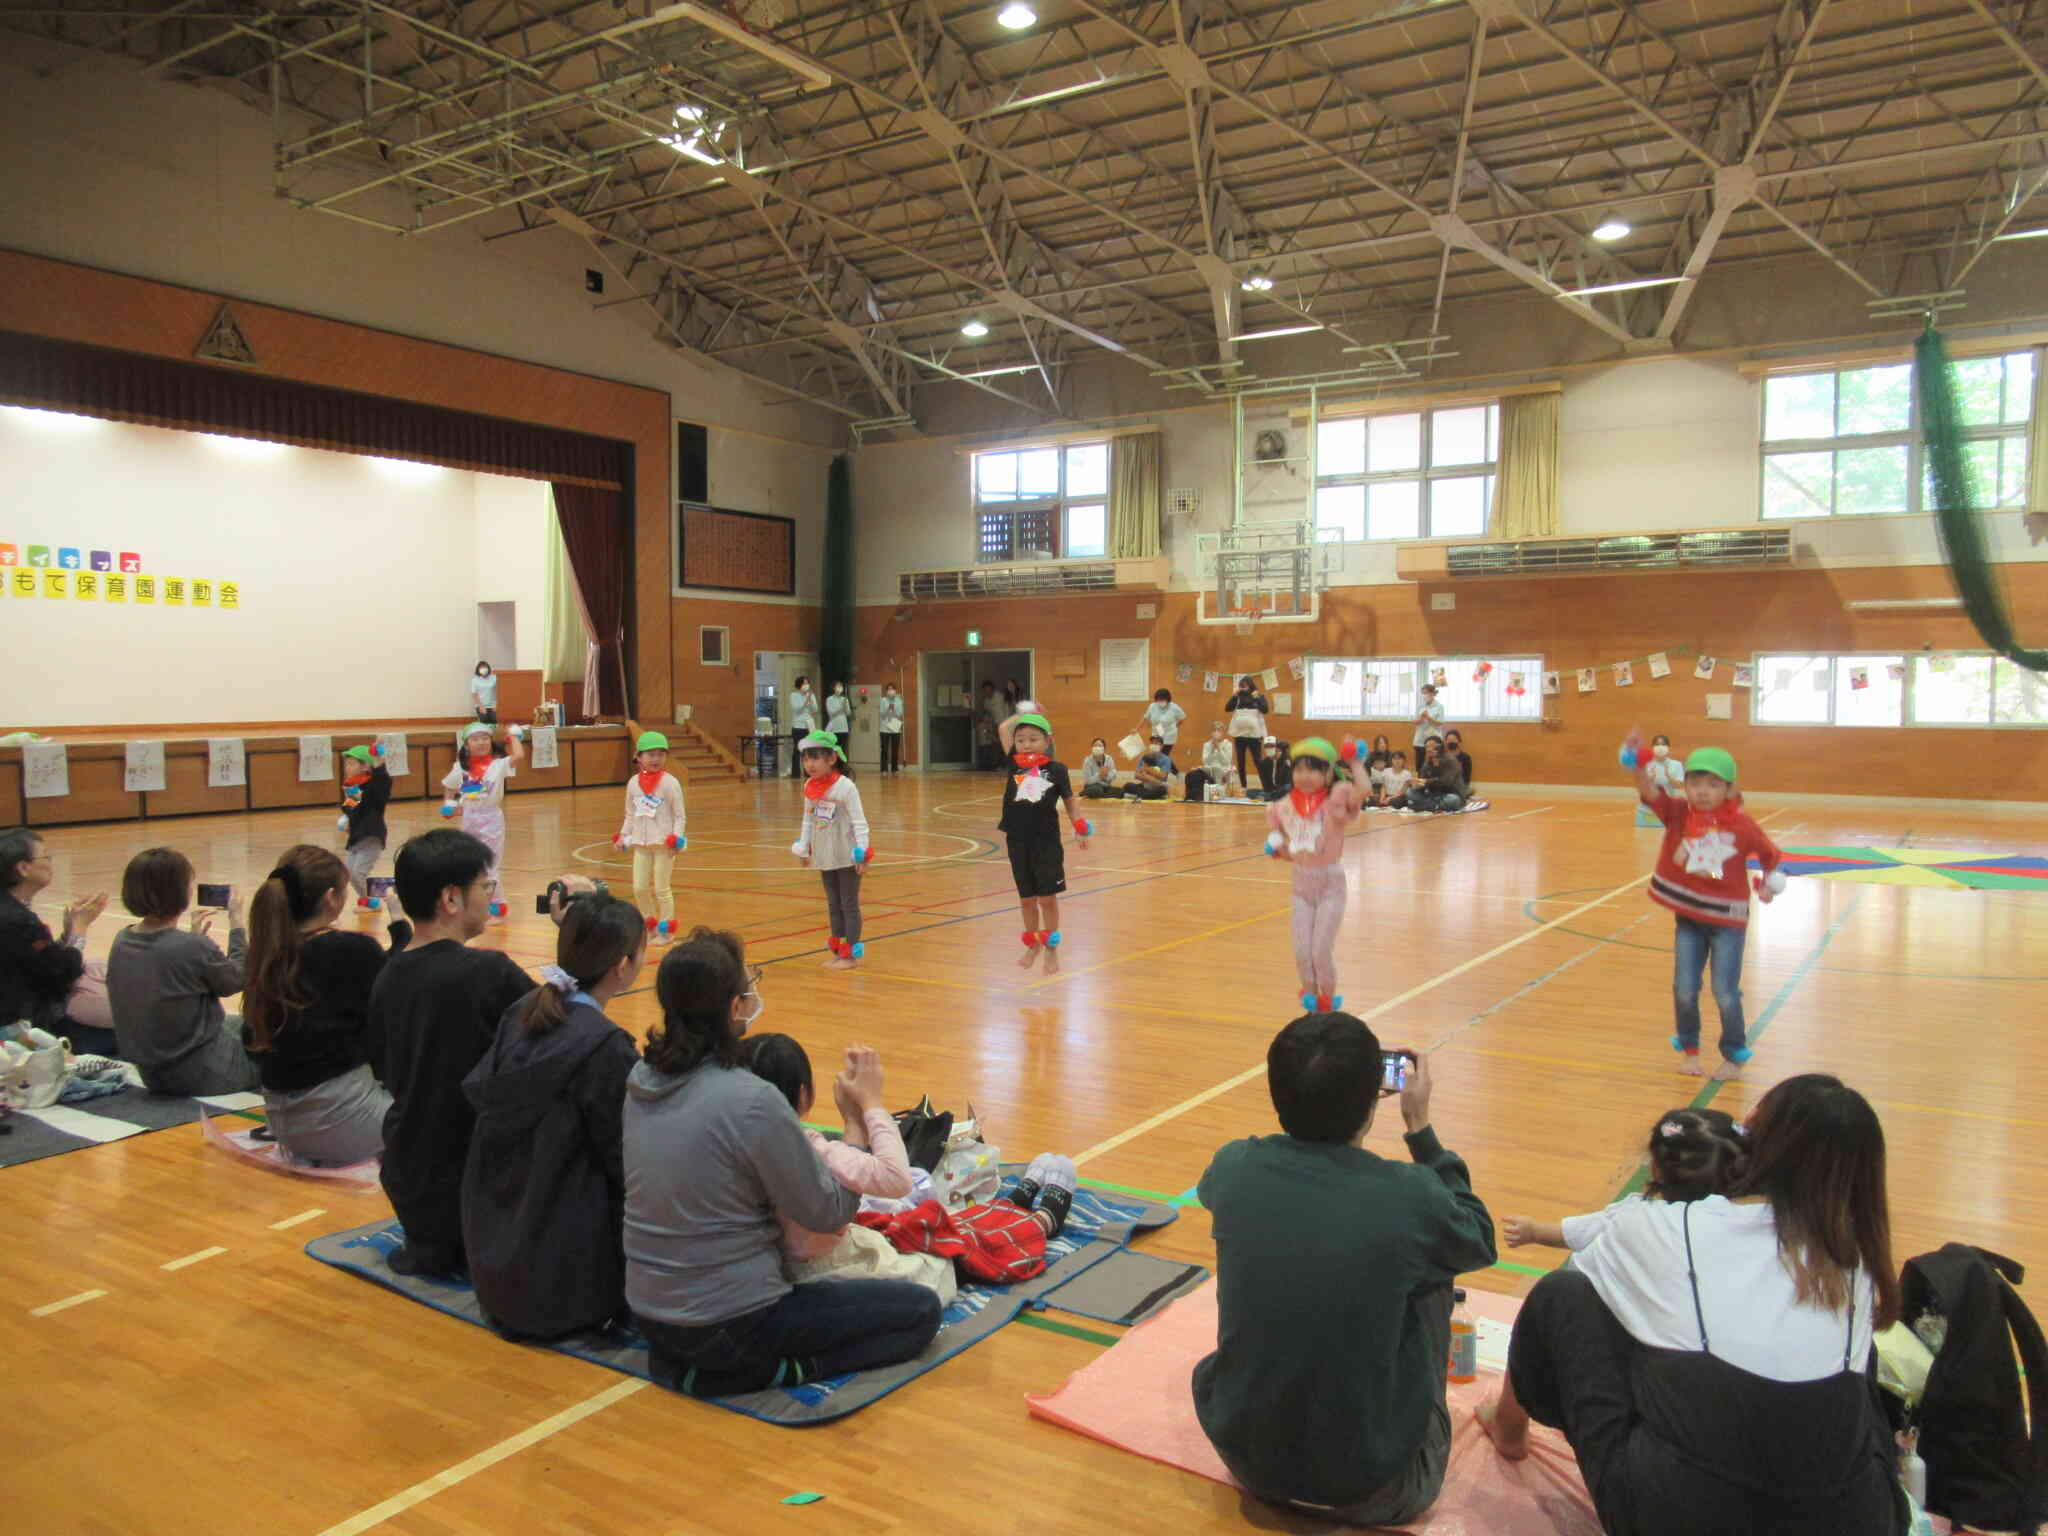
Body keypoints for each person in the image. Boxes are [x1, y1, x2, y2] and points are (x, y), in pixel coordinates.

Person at [1480, 1075, 1909, 1536]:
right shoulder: (1854, 1263)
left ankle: (1508, 1426)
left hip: (1684, 1518)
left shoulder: (1667, 1226)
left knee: (1561, 1295)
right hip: (1860, 1521)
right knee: (1856, 1366)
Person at [1195, 1014, 1496, 1527]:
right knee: (1433, 1265)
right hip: (1380, 1488)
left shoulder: (1233, 1166)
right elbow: (1479, 1240)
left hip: (1248, 1463)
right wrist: (1422, 1131)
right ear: (1372, 1101)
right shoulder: (1410, 1195)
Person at [622, 928, 943, 1396]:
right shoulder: (752, 1100)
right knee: (919, 1312)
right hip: (733, 1320)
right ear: (734, 1008)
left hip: (649, 1312)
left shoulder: (641, 1078)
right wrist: (857, 1122)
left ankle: (710, 1361)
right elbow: (830, 1210)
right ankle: (767, 1371)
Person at [462, 894, 644, 1339]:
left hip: (494, 1262)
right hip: (561, 1288)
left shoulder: (521, 1013)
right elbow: (625, 1164)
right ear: (623, 965)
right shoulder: (604, 1046)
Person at [373, 829, 539, 1276]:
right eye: (485, 887)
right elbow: (569, 1029)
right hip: (473, 1187)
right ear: (451, 898)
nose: (491, 895)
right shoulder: (487, 972)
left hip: (411, 1185)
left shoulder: (388, 976)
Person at [738, 1033, 954, 1303]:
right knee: (939, 1271)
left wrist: (853, 1122)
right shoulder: (811, 1148)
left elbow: (845, 1171)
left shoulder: (728, 1143)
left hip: (763, 1267)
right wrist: (871, 1104)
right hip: (821, 1267)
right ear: (804, 1095)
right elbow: (898, 1179)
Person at [1624, 734, 1785, 1080]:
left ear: (1729, 789)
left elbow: (1771, 856)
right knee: (1684, 987)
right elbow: (1651, 793)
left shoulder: (1743, 826)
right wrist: (1638, 762)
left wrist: (1768, 882)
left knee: (1725, 992)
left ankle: (1733, 1055)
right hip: (1689, 918)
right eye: (1695, 782)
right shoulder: (1679, 814)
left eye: (1713, 784)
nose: (1702, 790)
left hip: (1728, 921)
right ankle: (1690, 1050)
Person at [242, 844, 410, 1167]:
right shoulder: (349, 950)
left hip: (283, 1120)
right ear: (332, 898)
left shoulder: (268, 952)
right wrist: (400, 923)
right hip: (343, 1124)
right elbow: (399, 987)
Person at [104, 847, 257, 1095]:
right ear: (179, 891)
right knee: (273, 1033)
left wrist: (195, 942)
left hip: (152, 1073)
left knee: (240, 1023)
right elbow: (238, 978)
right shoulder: (189, 946)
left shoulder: (122, 939)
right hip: (202, 1073)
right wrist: (237, 924)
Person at [1500, 1107, 1748, 1253]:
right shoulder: (1760, 1219)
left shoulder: (1634, 1217)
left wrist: (1533, 1231)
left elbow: (1582, 1233)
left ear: (1655, 1170)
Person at [1264, 738, 1368, 1010]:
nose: (1305, 776)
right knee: (1302, 951)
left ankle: (1327, 1003)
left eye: (1312, 770)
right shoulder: (1283, 807)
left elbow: (1364, 789)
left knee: (1320, 950)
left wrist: (1356, 762)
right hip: (1301, 885)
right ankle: (1311, 1007)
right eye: (1299, 769)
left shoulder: (1335, 802)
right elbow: (1294, 852)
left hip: (1331, 886)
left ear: (1328, 773)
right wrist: (1278, 849)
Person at [0, 826, 115, 1056]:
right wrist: (79, 929)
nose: (51, 863)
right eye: (46, 857)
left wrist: (67, 935)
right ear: (23, 868)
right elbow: (62, 974)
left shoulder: (12, 911)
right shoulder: (18, 920)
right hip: (21, 1028)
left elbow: (39, 960)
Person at [997, 705, 1092, 974]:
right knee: (1026, 899)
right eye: (1021, 740)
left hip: (1046, 842)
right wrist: (1025, 712)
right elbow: (1004, 728)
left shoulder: (1057, 770)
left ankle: (1051, 947)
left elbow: (1071, 803)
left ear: (1048, 741)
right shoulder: (1012, 764)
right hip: (1016, 840)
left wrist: (1080, 827)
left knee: (1047, 898)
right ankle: (1032, 943)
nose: (1026, 745)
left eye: (1033, 739)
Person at [792, 731, 870, 970]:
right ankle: (838, 951)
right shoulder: (809, 786)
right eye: (806, 758)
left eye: (815, 758)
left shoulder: (845, 787)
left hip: (846, 855)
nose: (809, 764)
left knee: (848, 903)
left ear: (831, 759)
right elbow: (808, 820)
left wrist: (862, 852)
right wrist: (804, 848)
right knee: (833, 904)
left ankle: (850, 954)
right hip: (825, 855)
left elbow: (859, 821)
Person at [440, 721, 523, 913]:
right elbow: (450, 786)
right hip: (469, 817)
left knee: (490, 864)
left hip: (491, 818)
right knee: (471, 862)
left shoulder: (498, 765)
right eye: (475, 739)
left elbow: (518, 755)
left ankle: (497, 906)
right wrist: (449, 804)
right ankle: (475, 902)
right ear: (466, 744)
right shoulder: (460, 767)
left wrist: (513, 737)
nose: (481, 742)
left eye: (485, 738)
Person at [614, 730, 686, 942]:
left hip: (664, 844)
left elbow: (680, 816)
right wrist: (623, 835)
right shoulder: (633, 783)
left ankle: (666, 930)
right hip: (641, 844)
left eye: (660, 754)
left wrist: (676, 839)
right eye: (650, 754)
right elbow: (630, 813)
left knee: (662, 889)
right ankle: (650, 925)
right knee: (639, 888)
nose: (656, 759)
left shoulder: (670, 783)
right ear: (639, 756)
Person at [338, 743, 394, 908]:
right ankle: (389, 888)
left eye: (351, 763)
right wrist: (347, 818)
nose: (347, 767)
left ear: (365, 767)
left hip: (371, 835)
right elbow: (352, 808)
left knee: (357, 874)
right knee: (349, 873)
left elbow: (383, 782)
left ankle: (371, 901)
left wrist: (378, 764)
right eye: (346, 764)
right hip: (356, 837)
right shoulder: (352, 786)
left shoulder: (373, 786)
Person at [1226, 677, 1269, 789]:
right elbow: (1227, 708)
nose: (1243, 688)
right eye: (1241, 685)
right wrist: (1234, 696)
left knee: (1258, 761)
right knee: (1240, 762)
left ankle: (1265, 785)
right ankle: (1243, 786)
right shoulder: (1238, 697)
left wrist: (1256, 697)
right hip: (1240, 735)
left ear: (1250, 685)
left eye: (1245, 685)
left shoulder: (1258, 696)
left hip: (1254, 735)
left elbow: (1265, 710)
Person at [1404, 735, 1466, 814]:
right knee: (1410, 792)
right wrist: (1417, 783)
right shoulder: (1427, 763)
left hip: (1450, 794)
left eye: (1432, 746)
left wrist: (1426, 782)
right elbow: (1423, 781)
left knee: (1453, 800)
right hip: (1433, 796)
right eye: (1427, 747)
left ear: (1440, 747)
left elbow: (1446, 782)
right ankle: (1434, 807)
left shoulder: (1450, 760)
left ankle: (1423, 807)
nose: (1429, 749)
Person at [1637, 732, 1685, 827]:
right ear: (1652, 747)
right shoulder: (1646, 764)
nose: (1660, 747)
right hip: (1648, 809)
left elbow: (1680, 785)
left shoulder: (1676, 764)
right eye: (1657, 745)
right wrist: (1650, 780)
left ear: (1668, 747)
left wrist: (1669, 776)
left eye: (1663, 744)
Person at [1182, 722, 1238, 802]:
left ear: (1223, 733)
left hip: (1223, 769)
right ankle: (1193, 794)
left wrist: (1218, 748)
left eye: (1219, 730)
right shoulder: (1207, 745)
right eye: (1214, 730)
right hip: (1209, 768)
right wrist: (1212, 749)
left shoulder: (1228, 744)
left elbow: (1226, 762)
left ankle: (1217, 793)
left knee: (1217, 769)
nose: (1216, 732)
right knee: (1193, 773)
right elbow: (1205, 761)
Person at [1122, 735, 1175, 800]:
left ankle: (1139, 795)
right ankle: (1146, 795)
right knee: (1127, 785)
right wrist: (1149, 777)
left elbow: (1163, 776)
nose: (1153, 745)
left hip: (1158, 787)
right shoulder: (1144, 757)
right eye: (1152, 743)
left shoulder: (1166, 759)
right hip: (1145, 786)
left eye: (1156, 743)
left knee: (1162, 790)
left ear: (1161, 746)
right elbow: (1137, 775)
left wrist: (1147, 770)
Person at [787, 675, 819, 779]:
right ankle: (795, 774)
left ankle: (808, 773)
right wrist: (805, 702)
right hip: (798, 725)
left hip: (809, 726)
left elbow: (815, 710)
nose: (806, 685)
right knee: (798, 750)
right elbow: (796, 709)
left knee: (809, 750)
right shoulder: (794, 695)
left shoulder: (811, 695)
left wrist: (810, 702)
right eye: (804, 683)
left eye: (807, 683)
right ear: (799, 685)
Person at [1138, 687, 1186, 753]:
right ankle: (1168, 763)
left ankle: (1167, 762)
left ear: (1167, 699)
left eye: (1162, 700)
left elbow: (1182, 718)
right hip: (1156, 734)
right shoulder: (1152, 706)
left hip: (1169, 735)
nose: (1160, 701)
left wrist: (1176, 726)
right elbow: (1145, 717)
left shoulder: (1174, 707)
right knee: (1154, 755)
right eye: (1158, 700)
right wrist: (1136, 729)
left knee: (1163, 755)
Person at [1412, 682, 1446, 765]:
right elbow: (1415, 722)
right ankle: (1420, 778)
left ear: (1432, 693)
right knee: (1419, 764)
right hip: (1420, 739)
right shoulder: (1420, 706)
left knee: (1434, 762)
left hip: (1433, 740)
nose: (1424, 695)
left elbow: (1440, 723)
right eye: (1422, 693)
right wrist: (1421, 719)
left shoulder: (1439, 706)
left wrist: (1428, 717)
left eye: (1426, 693)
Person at [877, 683, 905, 775]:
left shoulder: (898, 700)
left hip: (895, 727)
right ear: (886, 691)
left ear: (895, 690)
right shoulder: (883, 700)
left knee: (895, 749)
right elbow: (882, 713)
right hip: (884, 728)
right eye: (889, 689)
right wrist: (888, 708)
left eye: (892, 689)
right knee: (884, 749)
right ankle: (884, 769)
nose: (890, 691)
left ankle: (894, 768)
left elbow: (899, 714)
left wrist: (894, 709)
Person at [974, 681, 1002, 771]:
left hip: (1002, 724)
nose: (987, 693)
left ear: (992, 690)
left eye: (989, 690)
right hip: (992, 724)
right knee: (992, 744)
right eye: (985, 691)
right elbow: (986, 713)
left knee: (999, 744)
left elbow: (1002, 713)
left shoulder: (1000, 698)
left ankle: (1000, 765)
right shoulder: (986, 700)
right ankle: (992, 765)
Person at [1257, 734, 1291, 799]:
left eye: (1272, 746)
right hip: (1273, 790)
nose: (1269, 748)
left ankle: (1274, 796)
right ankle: (1272, 796)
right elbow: (1265, 783)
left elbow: (1287, 780)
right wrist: (1268, 791)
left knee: (1287, 788)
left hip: (1284, 788)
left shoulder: (1286, 760)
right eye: (1267, 746)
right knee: (1250, 792)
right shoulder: (1263, 763)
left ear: (1278, 748)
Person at [1444, 728, 1475, 795]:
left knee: (1471, 790)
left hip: (1460, 786)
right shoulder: (1442, 757)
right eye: (1449, 740)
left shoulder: (1466, 757)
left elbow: (1467, 778)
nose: (1451, 742)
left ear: (1459, 741)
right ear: (1446, 742)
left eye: (1453, 740)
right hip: (1445, 785)